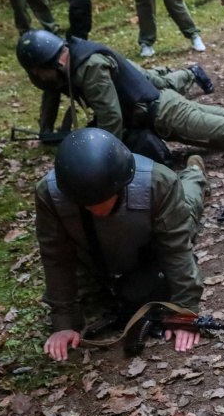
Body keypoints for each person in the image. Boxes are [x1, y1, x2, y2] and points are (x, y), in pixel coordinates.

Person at [36, 129, 208, 362]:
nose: (96, 211)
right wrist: (64, 323)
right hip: (101, 253)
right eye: (88, 206)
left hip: (159, 223)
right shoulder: (51, 195)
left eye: (102, 203)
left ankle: (195, 172)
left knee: (190, 202)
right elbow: (56, 256)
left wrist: (184, 312)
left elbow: (176, 249)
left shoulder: (159, 183)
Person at [15, 30, 224, 159]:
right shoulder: (68, 61)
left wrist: (101, 158)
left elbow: (112, 119)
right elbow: (50, 94)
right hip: (161, 105)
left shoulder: (89, 67)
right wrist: (45, 133)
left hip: (165, 114)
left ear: (43, 66)